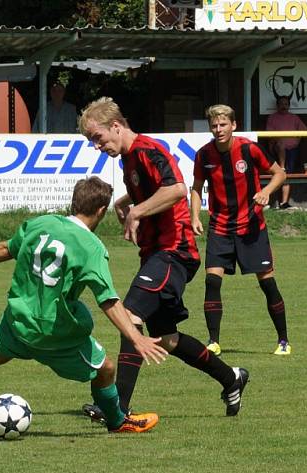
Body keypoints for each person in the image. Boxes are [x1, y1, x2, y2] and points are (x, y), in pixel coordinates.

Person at [0, 176, 167, 434]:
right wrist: (135, 338)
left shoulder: (42, 223)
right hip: (54, 332)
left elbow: (7, 248)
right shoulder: (91, 247)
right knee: (106, 368)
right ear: (100, 210)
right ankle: (117, 421)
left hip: (19, 321)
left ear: (74, 204)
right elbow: (108, 300)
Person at [78, 97, 249, 421]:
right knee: (165, 338)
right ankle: (231, 378)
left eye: (98, 138)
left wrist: (137, 212)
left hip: (175, 251)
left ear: (116, 126)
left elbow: (177, 189)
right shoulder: (128, 160)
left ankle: (117, 407)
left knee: (129, 316)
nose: (97, 146)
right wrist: (124, 203)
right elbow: (150, 191)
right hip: (157, 254)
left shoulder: (147, 150)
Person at [190, 104, 291, 357]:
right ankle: (213, 341)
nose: (218, 129)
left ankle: (283, 341)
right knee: (212, 281)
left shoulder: (248, 148)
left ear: (233, 125)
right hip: (220, 226)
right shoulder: (204, 155)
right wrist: (194, 216)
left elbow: (279, 174)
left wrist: (266, 192)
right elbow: (196, 187)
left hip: (251, 226)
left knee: (267, 283)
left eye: (223, 124)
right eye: (214, 125)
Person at [266, 95, 307, 210]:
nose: (283, 106)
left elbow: (304, 130)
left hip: (292, 149)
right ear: (277, 106)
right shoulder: (272, 117)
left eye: (286, 104)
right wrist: (275, 143)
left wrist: (297, 140)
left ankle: (284, 202)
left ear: (289, 106)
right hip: (277, 149)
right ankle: (270, 201)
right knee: (276, 173)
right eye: (281, 104)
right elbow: (269, 134)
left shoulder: (294, 117)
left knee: (287, 175)